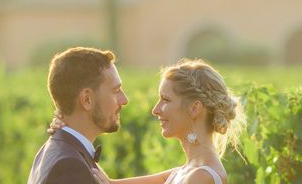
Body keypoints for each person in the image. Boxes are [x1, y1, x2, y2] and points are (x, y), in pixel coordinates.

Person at [50, 58, 244, 184]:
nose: (155, 110)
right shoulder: (181, 173)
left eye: (166, 100)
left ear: (194, 108)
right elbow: (105, 182)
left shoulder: (202, 177)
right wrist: (70, 128)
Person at [28, 47, 171, 183]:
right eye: (116, 91)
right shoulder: (69, 166)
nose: (124, 100)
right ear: (87, 99)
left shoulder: (54, 152)